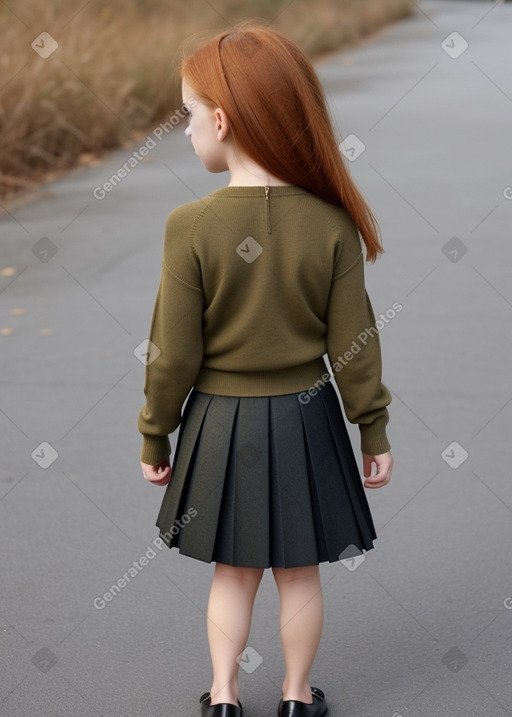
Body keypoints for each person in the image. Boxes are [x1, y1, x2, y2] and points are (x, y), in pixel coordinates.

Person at [137, 20, 394, 717]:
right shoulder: (332, 224)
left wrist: (154, 434)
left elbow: (173, 353)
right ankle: (295, 695)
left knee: (234, 569)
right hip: (309, 419)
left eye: (189, 117)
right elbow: (356, 344)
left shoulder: (190, 226)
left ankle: (223, 698)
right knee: (300, 570)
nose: (188, 131)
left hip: (220, 425)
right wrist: (372, 429)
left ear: (221, 120)